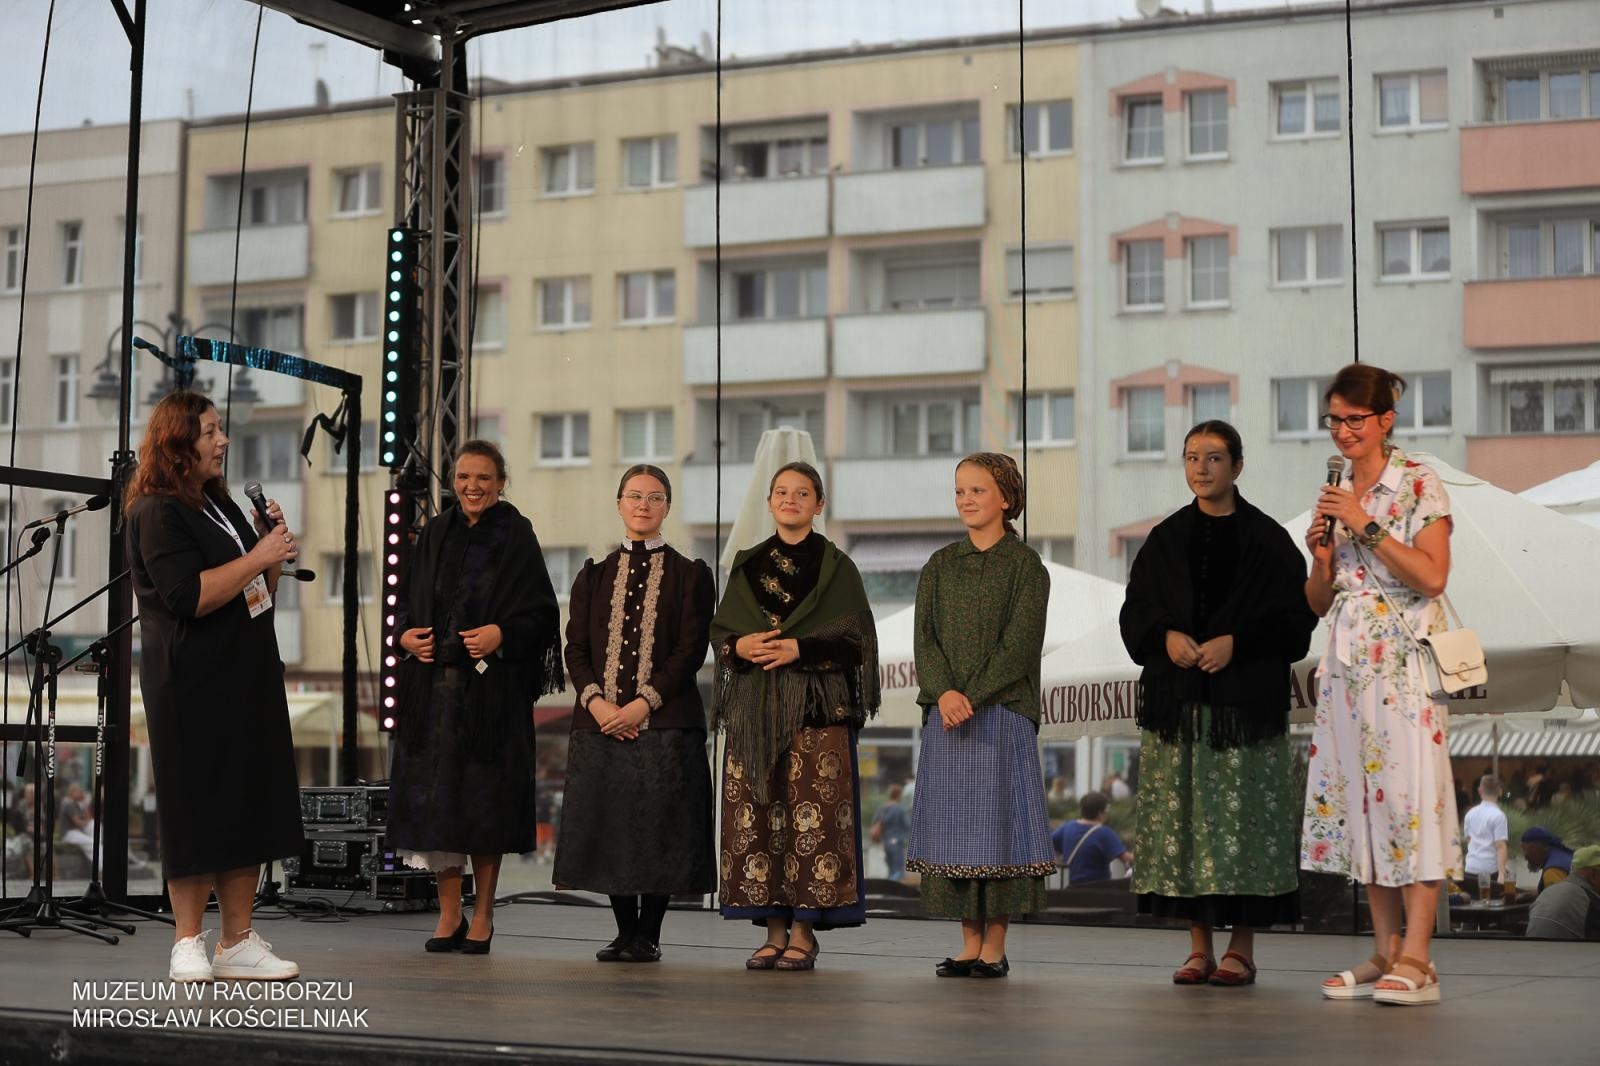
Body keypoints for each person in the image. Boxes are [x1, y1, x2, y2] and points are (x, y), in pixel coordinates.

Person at [1121, 420, 1314, 988]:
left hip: (1243, 714)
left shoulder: (1269, 539)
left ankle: (1242, 949)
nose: (1200, 468)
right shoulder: (1164, 538)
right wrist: (1166, 637)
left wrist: (1239, 642)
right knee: (1181, 830)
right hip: (1176, 710)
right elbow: (1134, 613)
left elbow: (1296, 623)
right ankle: (1198, 947)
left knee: (1247, 831)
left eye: (1213, 457)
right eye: (1191, 458)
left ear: (1237, 465)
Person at [125, 391, 304, 982]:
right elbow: (189, 596)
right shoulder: (156, 509)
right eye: (210, 432)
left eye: (220, 430)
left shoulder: (217, 502)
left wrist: (270, 551)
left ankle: (236, 939)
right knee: (196, 807)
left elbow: (260, 594)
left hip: (245, 676)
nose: (222, 440)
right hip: (191, 687)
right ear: (178, 444)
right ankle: (186, 941)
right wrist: (258, 556)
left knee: (246, 802)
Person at [1300, 365, 1461, 1006]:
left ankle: (1419, 957)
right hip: (1344, 660)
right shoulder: (1335, 490)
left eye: (1354, 420)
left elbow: (1433, 576)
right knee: (1360, 800)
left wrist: (1364, 523)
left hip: (1400, 660)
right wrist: (1320, 558)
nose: (1342, 431)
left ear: (1385, 420)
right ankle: (1385, 949)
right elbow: (1316, 601)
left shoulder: (1418, 480)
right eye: (1334, 419)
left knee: (1409, 797)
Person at [387, 440, 562, 955]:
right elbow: (403, 602)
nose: (472, 486)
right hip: (431, 695)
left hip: (491, 698)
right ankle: (448, 914)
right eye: (464, 476)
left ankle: (483, 914)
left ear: (501, 482)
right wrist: (403, 635)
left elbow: (543, 615)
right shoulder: (436, 531)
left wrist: (501, 633)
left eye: (484, 477)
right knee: (436, 807)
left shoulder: (516, 533)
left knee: (484, 804)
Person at [711, 461, 880, 972]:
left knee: (815, 824)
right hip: (753, 715)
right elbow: (722, 636)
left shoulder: (837, 567)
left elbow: (857, 642)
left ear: (818, 504)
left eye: (802, 493)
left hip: (817, 711)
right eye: (781, 492)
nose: (790, 500)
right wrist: (738, 645)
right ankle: (774, 930)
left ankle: (804, 933)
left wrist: (798, 650)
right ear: (769, 502)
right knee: (760, 821)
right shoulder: (746, 563)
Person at [554, 465, 716, 963]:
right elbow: (574, 648)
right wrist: (600, 704)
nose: (644, 505)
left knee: (661, 830)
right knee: (611, 827)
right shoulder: (593, 575)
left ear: (667, 507)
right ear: (619, 503)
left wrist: (643, 703)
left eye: (655, 497)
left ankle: (650, 933)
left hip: (666, 723)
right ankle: (625, 931)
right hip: (600, 723)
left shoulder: (691, 575)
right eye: (634, 496)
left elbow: (690, 651)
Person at [907, 452, 1054, 980]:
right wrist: (944, 692)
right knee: (953, 833)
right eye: (960, 491)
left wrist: (970, 694)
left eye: (978, 491)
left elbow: (1020, 646)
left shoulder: (1026, 567)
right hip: (947, 715)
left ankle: (996, 945)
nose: (966, 500)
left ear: (1006, 498)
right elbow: (924, 639)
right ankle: (969, 943)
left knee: (1000, 831)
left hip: (1004, 714)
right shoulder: (940, 566)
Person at [1051, 792, 1132, 885]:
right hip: (1095, 889)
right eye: (1107, 809)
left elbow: (1047, 843)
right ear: (1100, 813)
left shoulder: (1068, 827)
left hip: (1070, 887)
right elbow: (1126, 858)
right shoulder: (1104, 833)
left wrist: (1056, 861)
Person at [1525, 845, 1600, 940]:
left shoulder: (1547, 891)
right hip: (1565, 954)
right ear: (1594, 874)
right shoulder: (1591, 902)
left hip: (1529, 952)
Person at [1461, 774, 1509, 895]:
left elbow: (1469, 840)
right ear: (1500, 792)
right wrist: (1502, 873)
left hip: (1471, 868)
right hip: (1490, 870)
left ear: (1479, 791)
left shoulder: (1470, 814)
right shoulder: (1499, 816)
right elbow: (1500, 846)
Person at [1516, 827, 1574, 900]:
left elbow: (1559, 901)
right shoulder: (1565, 855)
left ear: (1534, 848)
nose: (1524, 856)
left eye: (1524, 849)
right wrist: (1532, 895)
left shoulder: (1552, 870)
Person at [871, 784, 912, 881]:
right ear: (898, 795)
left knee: (891, 870)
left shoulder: (882, 808)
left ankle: (887, 893)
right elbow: (908, 825)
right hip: (897, 842)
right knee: (898, 871)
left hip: (885, 843)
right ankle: (891, 891)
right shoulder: (900, 809)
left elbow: (875, 823)